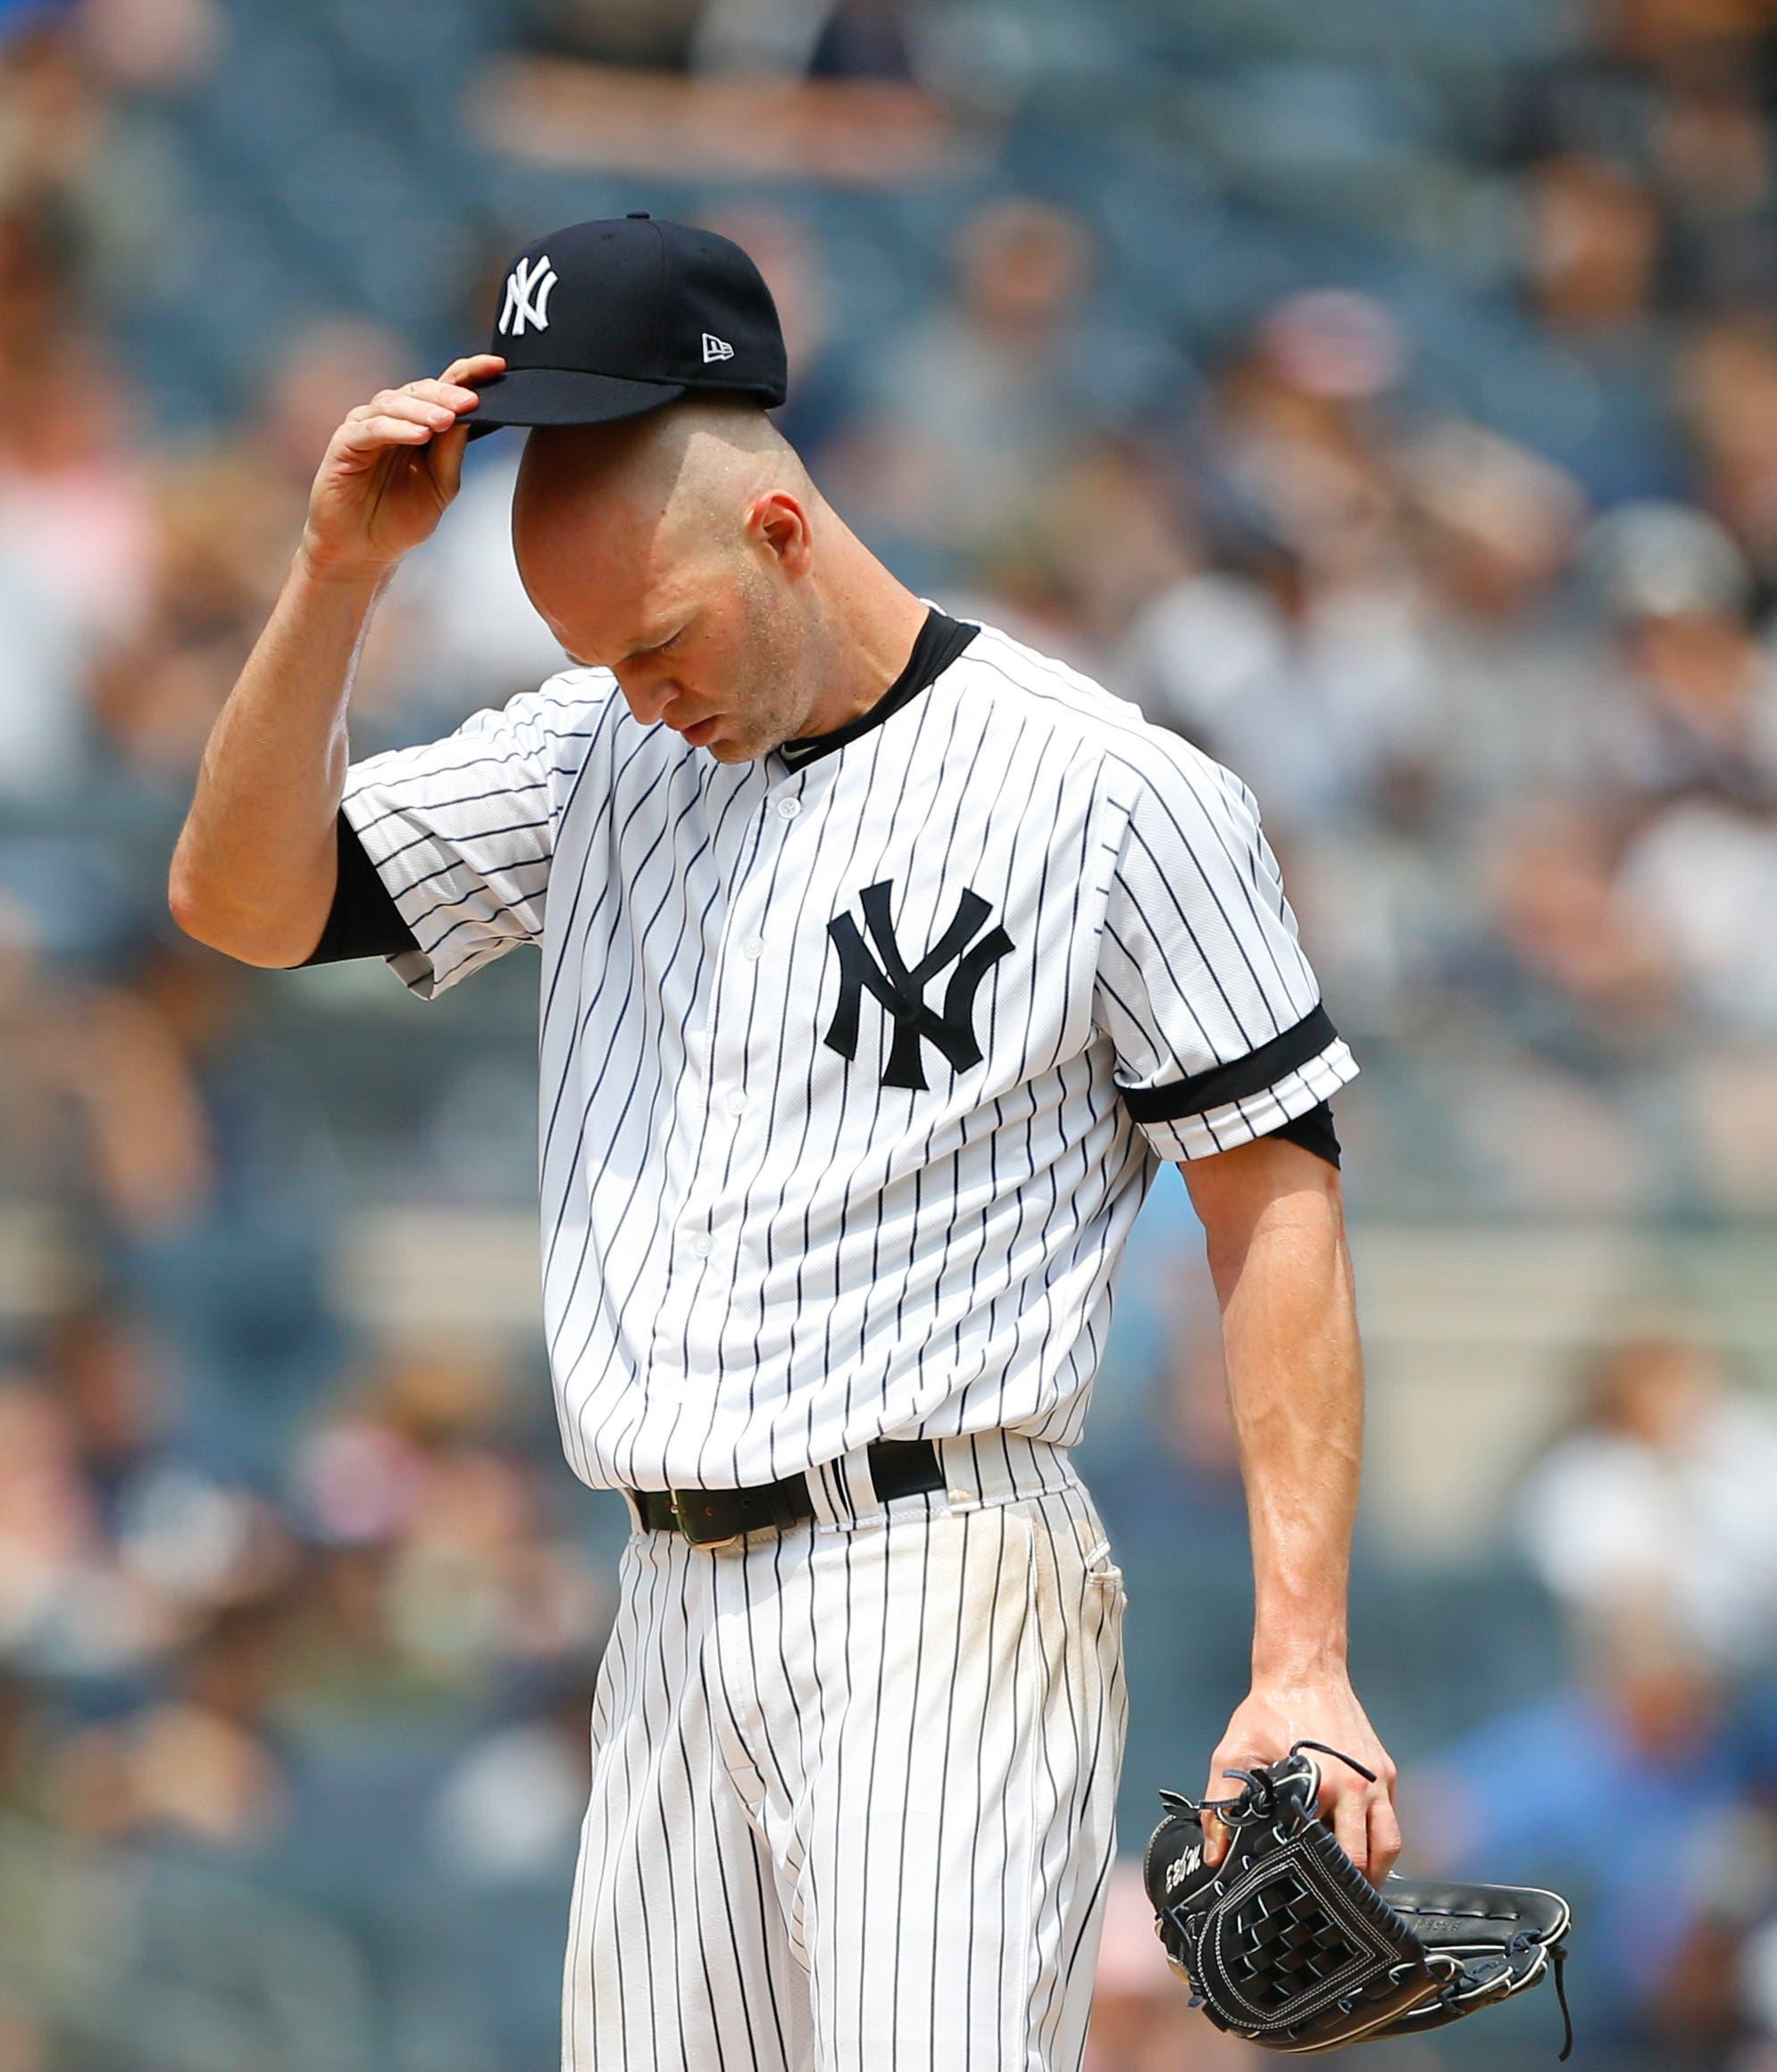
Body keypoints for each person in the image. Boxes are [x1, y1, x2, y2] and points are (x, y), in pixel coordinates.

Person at [167, 214, 1398, 2072]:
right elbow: (244, 903)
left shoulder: (1109, 792)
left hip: (941, 1579)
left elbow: (1274, 1212)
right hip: (662, 1602)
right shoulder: (596, 752)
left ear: (777, 527)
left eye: (652, 640)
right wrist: (336, 579)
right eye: (597, 656)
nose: (637, 689)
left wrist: (1297, 1653)